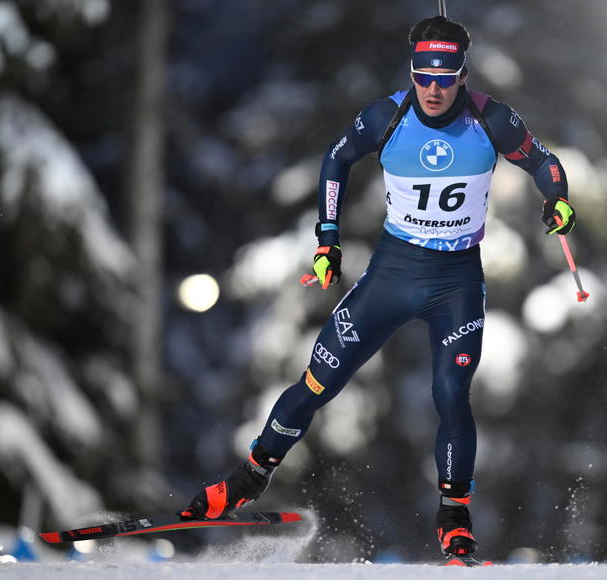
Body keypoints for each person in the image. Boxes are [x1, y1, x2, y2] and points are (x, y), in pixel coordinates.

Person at [180, 15, 576, 561]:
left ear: (463, 74)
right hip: (392, 274)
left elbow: (543, 161)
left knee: (451, 395)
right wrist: (327, 242)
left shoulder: (493, 120)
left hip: (455, 281)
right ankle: (249, 478)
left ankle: (455, 518)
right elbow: (336, 160)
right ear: (411, 70)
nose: (433, 89)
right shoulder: (386, 116)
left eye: (445, 76)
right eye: (422, 75)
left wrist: (556, 199)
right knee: (318, 381)